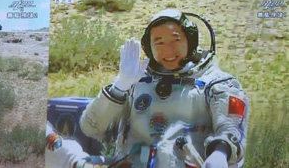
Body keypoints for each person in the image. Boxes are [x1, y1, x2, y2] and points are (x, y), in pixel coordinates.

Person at [75, 9, 248, 168]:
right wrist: (120, 87)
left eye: (176, 40)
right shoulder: (135, 80)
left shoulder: (217, 84)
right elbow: (91, 128)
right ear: (148, 48)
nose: (168, 50)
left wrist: (220, 153)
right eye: (159, 43)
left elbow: (231, 129)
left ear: (191, 40)